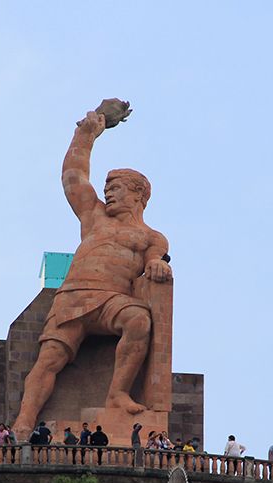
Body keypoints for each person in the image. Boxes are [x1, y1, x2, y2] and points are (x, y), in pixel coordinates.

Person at [12, 107, 173, 436]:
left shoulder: (151, 237)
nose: (108, 192)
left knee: (138, 319)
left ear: (138, 195)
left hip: (112, 300)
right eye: (107, 187)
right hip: (73, 297)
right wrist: (86, 133)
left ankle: (117, 394)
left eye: (116, 187)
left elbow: (157, 259)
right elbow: (74, 176)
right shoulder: (94, 216)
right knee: (50, 359)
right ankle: (24, 422)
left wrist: (157, 264)